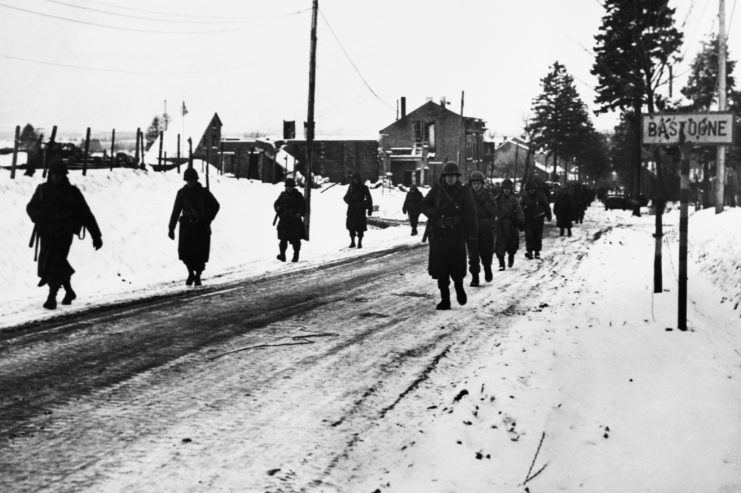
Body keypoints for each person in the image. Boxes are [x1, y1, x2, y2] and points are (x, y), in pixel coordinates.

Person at [26, 159, 103, 309]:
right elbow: (30, 207)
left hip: (64, 234)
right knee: (51, 263)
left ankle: (51, 296)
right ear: (50, 174)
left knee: (55, 263)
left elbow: (86, 214)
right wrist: (39, 215)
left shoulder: (73, 192)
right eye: (54, 174)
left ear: (64, 175)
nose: (57, 177)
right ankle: (69, 291)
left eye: (60, 174)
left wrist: (96, 235)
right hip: (47, 234)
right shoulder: (42, 190)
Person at [421, 161, 478, 310]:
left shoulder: (464, 192)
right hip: (439, 235)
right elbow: (424, 204)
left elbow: (471, 215)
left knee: (457, 267)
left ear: (457, 177)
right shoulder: (437, 189)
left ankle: (459, 287)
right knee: (441, 270)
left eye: (453, 175)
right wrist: (433, 213)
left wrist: (471, 236)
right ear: (444, 176)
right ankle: (445, 300)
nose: (450, 178)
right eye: (448, 175)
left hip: (457, 235)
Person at [168, 167, 220, 286]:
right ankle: (191, 273)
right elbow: (176, 211)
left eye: (192, 180)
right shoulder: (181, 193)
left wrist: (207, 219)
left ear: (196, 180)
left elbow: (215, 206)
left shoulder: (204, 192)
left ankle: (198, 275)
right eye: (188, 180)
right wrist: (171, 228)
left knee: (199, 255)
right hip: (186, 228)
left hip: (200, 227)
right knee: (185, 253)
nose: (190, 182)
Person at [467, 170, 498, 286]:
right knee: (473, 255)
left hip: (485, 227)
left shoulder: (487, 195)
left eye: (478, 183)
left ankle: (487, 268)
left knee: (486, 252)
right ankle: (475, 277)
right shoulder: (467, 195)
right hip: (471, 228)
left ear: (482, 183)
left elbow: (494, 211)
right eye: (474, 183)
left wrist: (485, 202)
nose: (476, 185)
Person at [494, 178, 524, 270]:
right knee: (500, 245)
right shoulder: (498, 199)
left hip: (511, 224)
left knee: (512, 245)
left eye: (508, 188)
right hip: (501, 224)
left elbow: (519, 211)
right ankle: (501, 263)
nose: (506, 190)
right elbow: (493, 210)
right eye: (504, 188)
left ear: (510, 189)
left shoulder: (514, 199)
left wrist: (521, 222)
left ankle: (511, 257)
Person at [274, 177, 306, 262]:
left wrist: (299, 213)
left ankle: (296, 255)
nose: (289, 188)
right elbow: (276, 204)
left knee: (296, 240)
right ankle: (282, 255)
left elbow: (303, 207)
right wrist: (278, 208)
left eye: (291, 187)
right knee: (283, 240)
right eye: (288, 186)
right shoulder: (282, 195)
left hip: (295, 221)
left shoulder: (298, 195)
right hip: (284, 221)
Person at [521, 179, 552, 260]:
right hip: (528, 218)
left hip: (539, 217)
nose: (531, 191)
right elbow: (520, 205)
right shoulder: (525, 196)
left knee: (538, 235)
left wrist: (548, 214)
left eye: (533, 189)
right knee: (529, 235)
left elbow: (546, 205)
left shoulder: (540, 195)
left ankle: (537, 251)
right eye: (530, 189)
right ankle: (530, 251)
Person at [343, 173, 373, 248]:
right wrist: (350, 202)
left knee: (360, 227)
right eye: (354, 179)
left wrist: (369, 208)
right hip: (352, 210)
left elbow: (369, 198)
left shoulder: (364, 187)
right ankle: (352, 242)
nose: (355, 180)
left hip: (360, 210)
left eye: (357, 179)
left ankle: (359, 242)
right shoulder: (351, 187)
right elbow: (345, 197)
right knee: (351, 227)